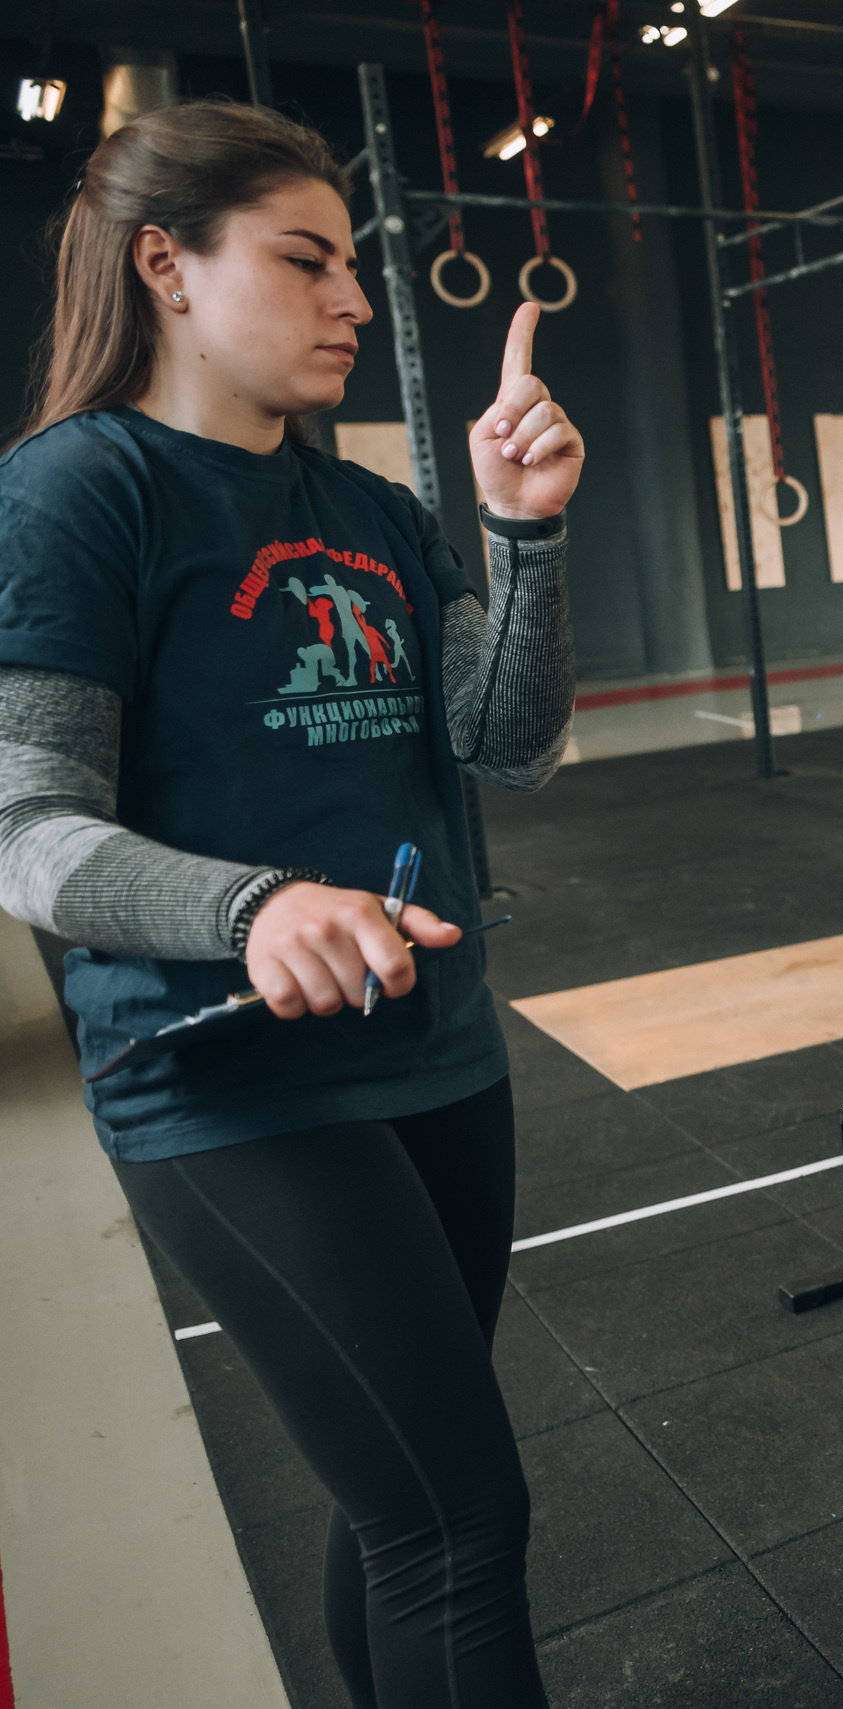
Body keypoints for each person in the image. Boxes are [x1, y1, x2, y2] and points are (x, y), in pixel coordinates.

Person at [0, 102, 578, 1708]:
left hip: (437, 1052)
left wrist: (525, 537)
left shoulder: (375, 511)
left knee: (402, 1502)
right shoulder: (75, 493)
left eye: (355, 265)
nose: (357, 299)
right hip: (223, 1075)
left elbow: (507, 743)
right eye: (307, 260)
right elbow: (25, 827)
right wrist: (254, 906)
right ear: (165, 267)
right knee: (458, 1515)